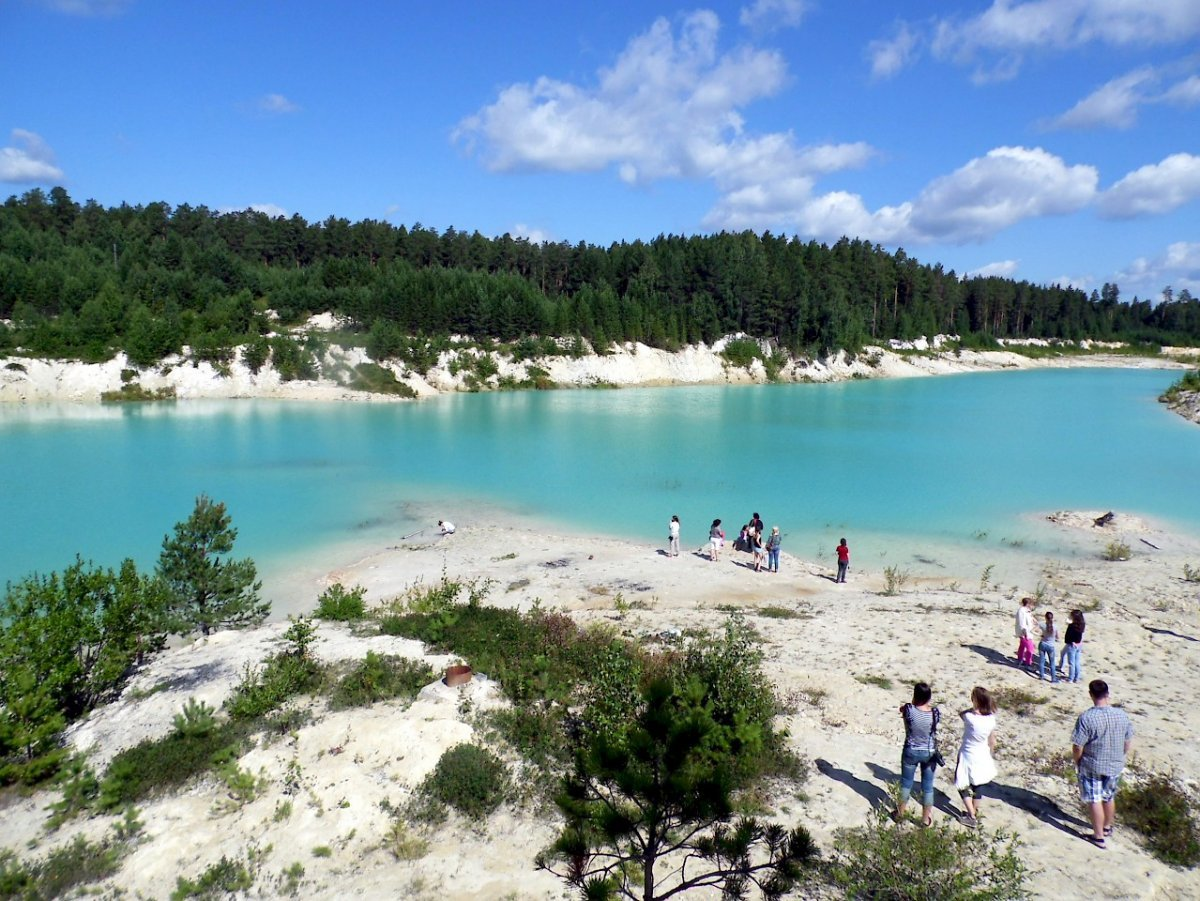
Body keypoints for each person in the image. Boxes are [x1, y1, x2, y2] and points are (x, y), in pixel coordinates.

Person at [1071, 679, 1134, 849]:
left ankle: (1098, 836)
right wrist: (1120, 755)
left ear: (1091, 695)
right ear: (1107, 694)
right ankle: (1107, 827)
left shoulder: (1086, 718)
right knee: (1109, 797)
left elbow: (1078, 745)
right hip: (1115, 763)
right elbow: (1127, 741)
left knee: (1094, 799)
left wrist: (1078, 761)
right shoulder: (1122, 715)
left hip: (1092, 764)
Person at [893, 682, 941, 826]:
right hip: (929, 751)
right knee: (927, 786)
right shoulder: (935, 713)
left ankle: (900, 814)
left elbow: (902, 710)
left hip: (911, 749)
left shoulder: (909, 709)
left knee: (906, 784)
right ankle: (925, 819)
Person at [954, 687, 997, 828]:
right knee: (978, 784)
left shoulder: (970, 717)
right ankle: (974, 810)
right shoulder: (991, 719)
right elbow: (992, 741)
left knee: (962, 784)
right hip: (982, 753)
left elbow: (961, 713)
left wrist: (973, 709)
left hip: (968, 753)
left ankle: (971, 815)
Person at [1059, 610, 1086, 683]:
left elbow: (1068, 637)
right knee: (1077, 662)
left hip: (1072, 645)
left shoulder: (1072, 626)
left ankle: (1070, 678)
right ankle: (1076, 678)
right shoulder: (1082, 624)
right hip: (1079, 644)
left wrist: (1070, 642)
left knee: (1071, 663)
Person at [1038, 611, 1059, 682]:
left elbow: (1032, 630)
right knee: (1052, 663)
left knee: (1041, 661)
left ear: (1045, 617)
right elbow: (1057, 637)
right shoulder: (1055, 627)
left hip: (1043, 643)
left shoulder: (1042, 624)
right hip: (1051, 646)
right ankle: (1053, 679)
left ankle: (1041, 676)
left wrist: (1040, 635)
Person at [1015, 598, 1036, 669]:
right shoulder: (1021, 611)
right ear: (1028, 604)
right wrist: (1025, 633)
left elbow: (1030, 617)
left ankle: (1020, 659)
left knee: (1022, 646)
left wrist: (1033, 619)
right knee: (1030, 649)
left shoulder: (1027, 611)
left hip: (1029, 631)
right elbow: (1022, 623)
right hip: (1025, 633)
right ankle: (1028, 663)